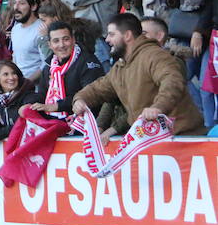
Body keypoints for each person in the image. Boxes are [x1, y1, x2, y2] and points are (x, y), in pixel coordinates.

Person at [73, 14, 205, 135]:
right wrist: (81, 99)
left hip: (181, 137)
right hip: (150, 139)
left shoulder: (155, 55)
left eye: (112, 34)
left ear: (127, 36)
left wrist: (158, 107)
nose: (107, 39)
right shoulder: (121, 66)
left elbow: (172, 81)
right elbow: (99, 88)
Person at [32, 21, 104, 118]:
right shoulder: (49, 66)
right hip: (56, 121)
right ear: (49, 44)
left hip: (84, 121)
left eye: (65, 39)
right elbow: (41, 96)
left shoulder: (88, 62)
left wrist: (56, 106)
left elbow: (90, 94)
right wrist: (28, 103)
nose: (61, 45)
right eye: (56, 41)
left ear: (73, 40)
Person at [9, 0, 45, 82]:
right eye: (15, 3)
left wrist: (27, 83)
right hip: (17, 84)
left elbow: (46, 64)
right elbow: (15, 59)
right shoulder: (15, 29)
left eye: (21, 3)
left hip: (35, 89)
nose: (16, 7)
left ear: (33, 6)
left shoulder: (42, 29)